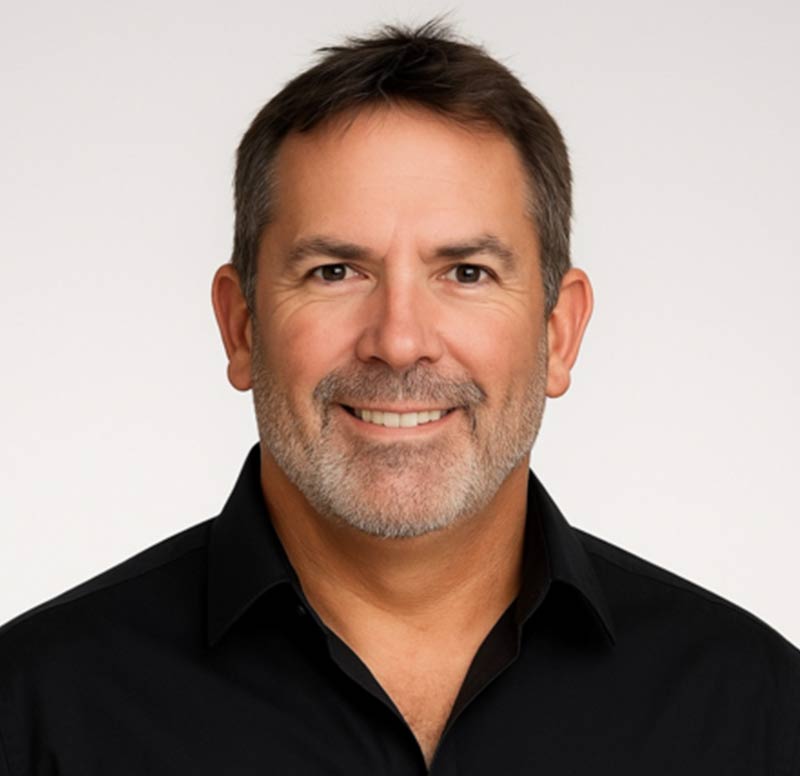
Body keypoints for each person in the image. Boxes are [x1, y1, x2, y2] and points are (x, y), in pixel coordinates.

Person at [0, 19, 798, 776]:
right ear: (242, 326)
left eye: (466, 273)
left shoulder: (756, 711)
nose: (400, 339)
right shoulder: (32, 711)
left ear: (559, 332)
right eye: (336, 271)